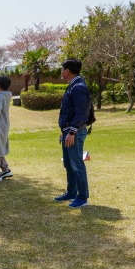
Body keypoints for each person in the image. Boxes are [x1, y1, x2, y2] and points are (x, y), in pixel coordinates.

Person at [55, 59, 91, 208]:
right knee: (69, 164)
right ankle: (71, 193)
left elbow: (81, 112)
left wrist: (72, 131)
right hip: (68, 132)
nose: (61, 72)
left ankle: (82, 197)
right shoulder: (73, 85)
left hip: (74, 132)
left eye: (62, 69)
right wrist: (64, 131)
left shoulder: (78, 87)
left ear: (67, 71)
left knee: (77, 164)